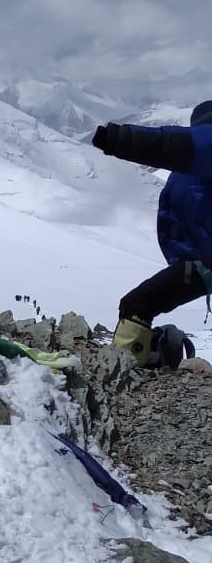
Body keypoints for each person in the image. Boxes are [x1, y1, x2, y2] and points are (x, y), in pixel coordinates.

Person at [91, 101, 212, 366]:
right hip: (198, 261)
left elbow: (170, 144)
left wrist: (120, 139)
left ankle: (126, 369)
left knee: (138, 304)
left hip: (204, 263)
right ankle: (145, 359)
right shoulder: (197, 169)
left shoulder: (207, 145)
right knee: (140, 304)